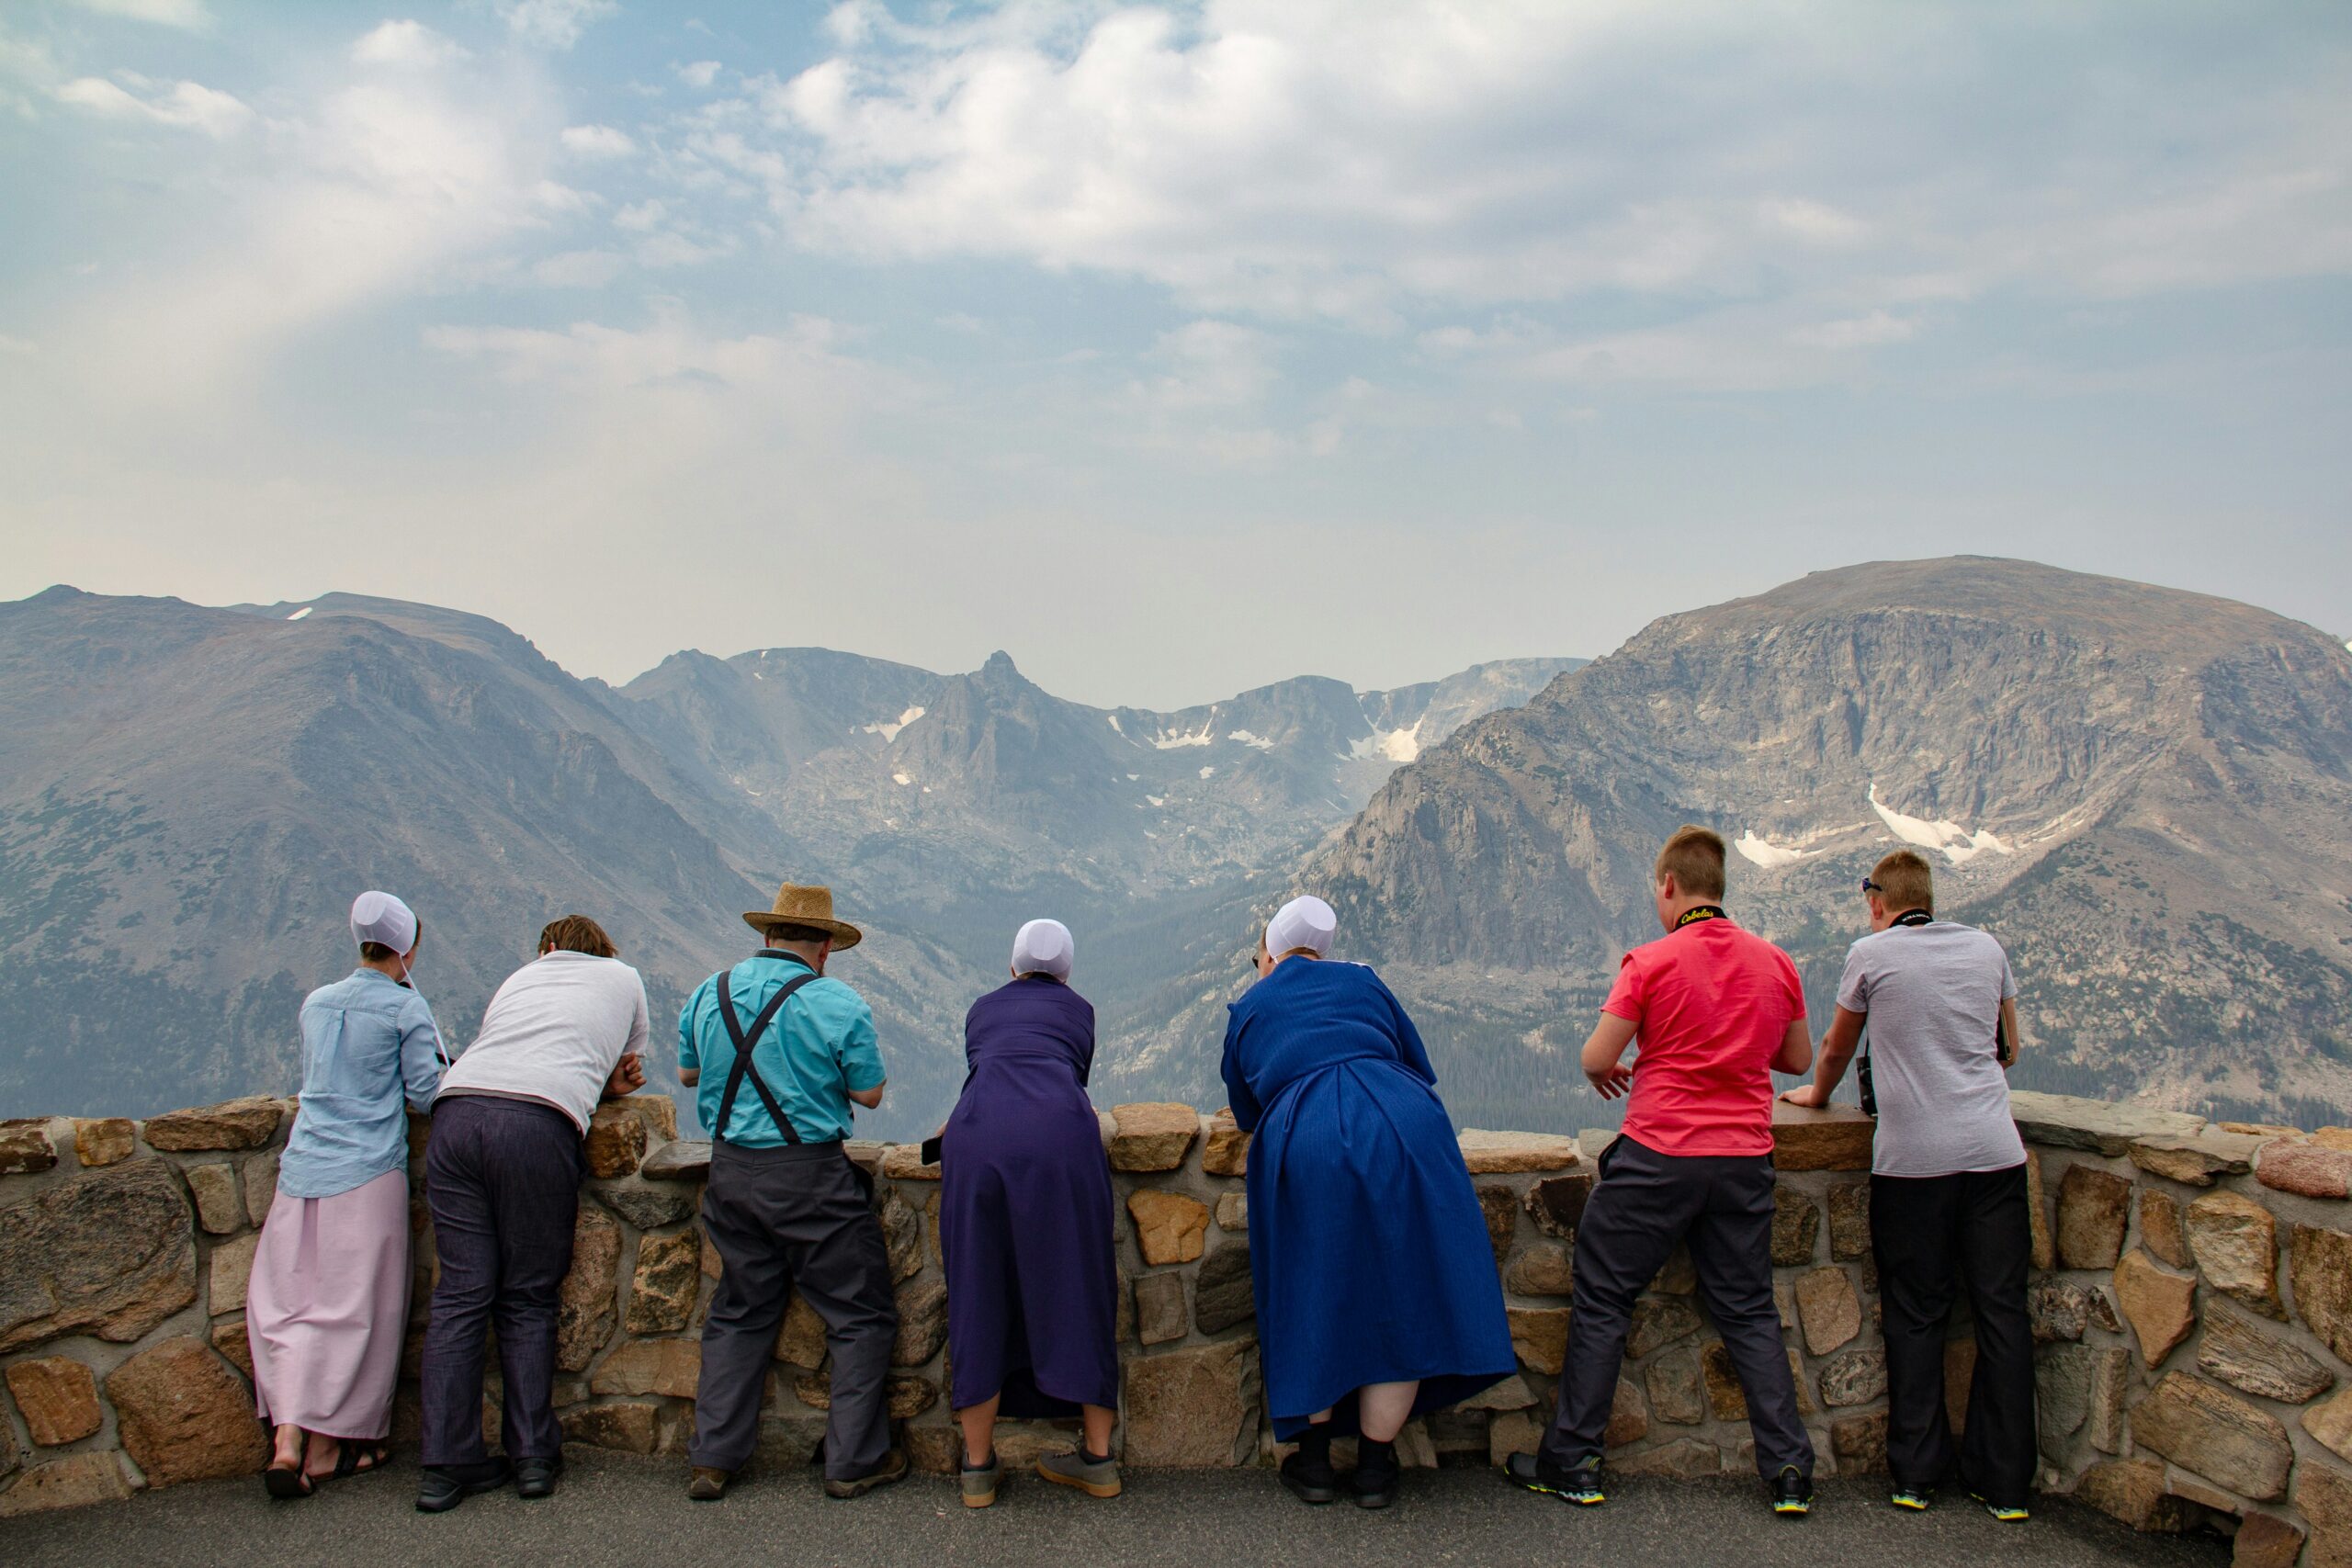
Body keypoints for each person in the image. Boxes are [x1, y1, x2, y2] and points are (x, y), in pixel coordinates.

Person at [1507, 826, 1818, 1517]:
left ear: (1669, 885)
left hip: (1659, 1156)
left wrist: (1617, 1068)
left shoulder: (1651, 961)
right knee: (1748, 1309)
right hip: (1742, 1160)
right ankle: (1790, 1470)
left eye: (1656, 888)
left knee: (1604, 1294)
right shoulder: (1775, 962)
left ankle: (1574, 1460)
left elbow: (1595, 1056)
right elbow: (1796, 1058)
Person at [1222, 895, 1515, 1510]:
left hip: (1311, 1135)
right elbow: (1416, 1062)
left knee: (1313, 1291)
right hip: (1406, 1125)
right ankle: (1379, 1469)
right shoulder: (1364, 981)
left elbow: (1248, 1107)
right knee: (1404, 1290)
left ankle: (1317, 1463)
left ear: (1269, 952)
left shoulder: (1253, 1003)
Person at [1781, 849, 2033, 1521]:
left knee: (1917, 1315)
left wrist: (1817, 1095)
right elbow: (2008, 1046)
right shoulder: (1988, 948)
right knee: (2002, 1314)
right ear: (1931, 895)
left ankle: (1917, 1475)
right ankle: (2005, 1483)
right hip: (1994, 1155)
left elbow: (1834, 1047)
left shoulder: (1870, 954)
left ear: (1877, 900)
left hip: (1913, 1164)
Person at [416, 915, 650, 1514]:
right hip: (536, 1123)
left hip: (458, 1111)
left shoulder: (520, 976)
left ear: (547, 948)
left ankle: (446, 1463)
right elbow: (624, 1072)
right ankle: (532, 1456)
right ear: (604, 949)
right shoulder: (625, 979)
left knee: (461, 1293)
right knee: (526, 1294)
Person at [680, 884, 901, 1503]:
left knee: (740, 1308)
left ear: (768, 935)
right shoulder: (836, 1001)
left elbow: (689, 1072)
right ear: (826, 946)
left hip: (730, 1172)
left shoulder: (711, 990)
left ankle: (713, 1458)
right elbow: (871, 1093)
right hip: (808, 1176)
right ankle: (853, 1459)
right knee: (859, 1312)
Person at [249, 891, 447, 1497]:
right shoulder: (405, 1010)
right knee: (357, 1308)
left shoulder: (317, 1002)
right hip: (367, 1171)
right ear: (408, 948)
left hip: (302, 1169)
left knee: (289, 1304)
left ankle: (286, 1437)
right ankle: (330, 1447)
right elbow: (425, 1093)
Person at [938, 919, 1121, 1509]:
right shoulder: (1080, 1011)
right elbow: (1071, 1075)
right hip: (1061, 1142)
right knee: (1081, 1284)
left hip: (977, 1140)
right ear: (1066, 972)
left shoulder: (981, 1010)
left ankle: (977, 1469)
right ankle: (1096, 1459)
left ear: (1012, 967)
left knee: (978, 1290)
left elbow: (983, 1066)